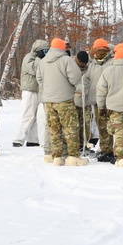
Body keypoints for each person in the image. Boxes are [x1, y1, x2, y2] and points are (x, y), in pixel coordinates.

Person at [36, 38, 86, 166]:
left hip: (48, 101)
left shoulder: (42, 62)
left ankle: (57, 157)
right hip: (64, 100)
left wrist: (48, 89)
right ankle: (73, 156)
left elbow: (39, 79)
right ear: (62, 48)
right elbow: (75, 78)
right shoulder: (66, 60)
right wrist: (69, 87)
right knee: (70, 128)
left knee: (54, 129)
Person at [13, 39, 48, 148]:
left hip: (39, 90)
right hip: (29, 90)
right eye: (44, 51)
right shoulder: (29, 58)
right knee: (28, 115)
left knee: (37, 117)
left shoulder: (41, 59)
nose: (46, 53)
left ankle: (33, 140)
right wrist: (39, 58)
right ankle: (18, 139)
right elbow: (34, 69)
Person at [88, 39, 114, 162]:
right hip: (96, 100)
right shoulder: (92, 63)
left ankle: (113, 150)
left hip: (109, 100)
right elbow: (87, 78)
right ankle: (105, 150)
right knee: (101, 127)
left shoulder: (112, 62)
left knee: (111, 126)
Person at [73, 50, 98, 152]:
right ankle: (75, 145)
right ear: (77, 60)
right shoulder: (71, 67)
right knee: (75, 125)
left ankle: (84, 144)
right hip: (73, 101)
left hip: (85, 102)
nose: (83, 65)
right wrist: (80, 89)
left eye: (85, 63)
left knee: (86, 125)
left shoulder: (88, 69)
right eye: (81, 63)